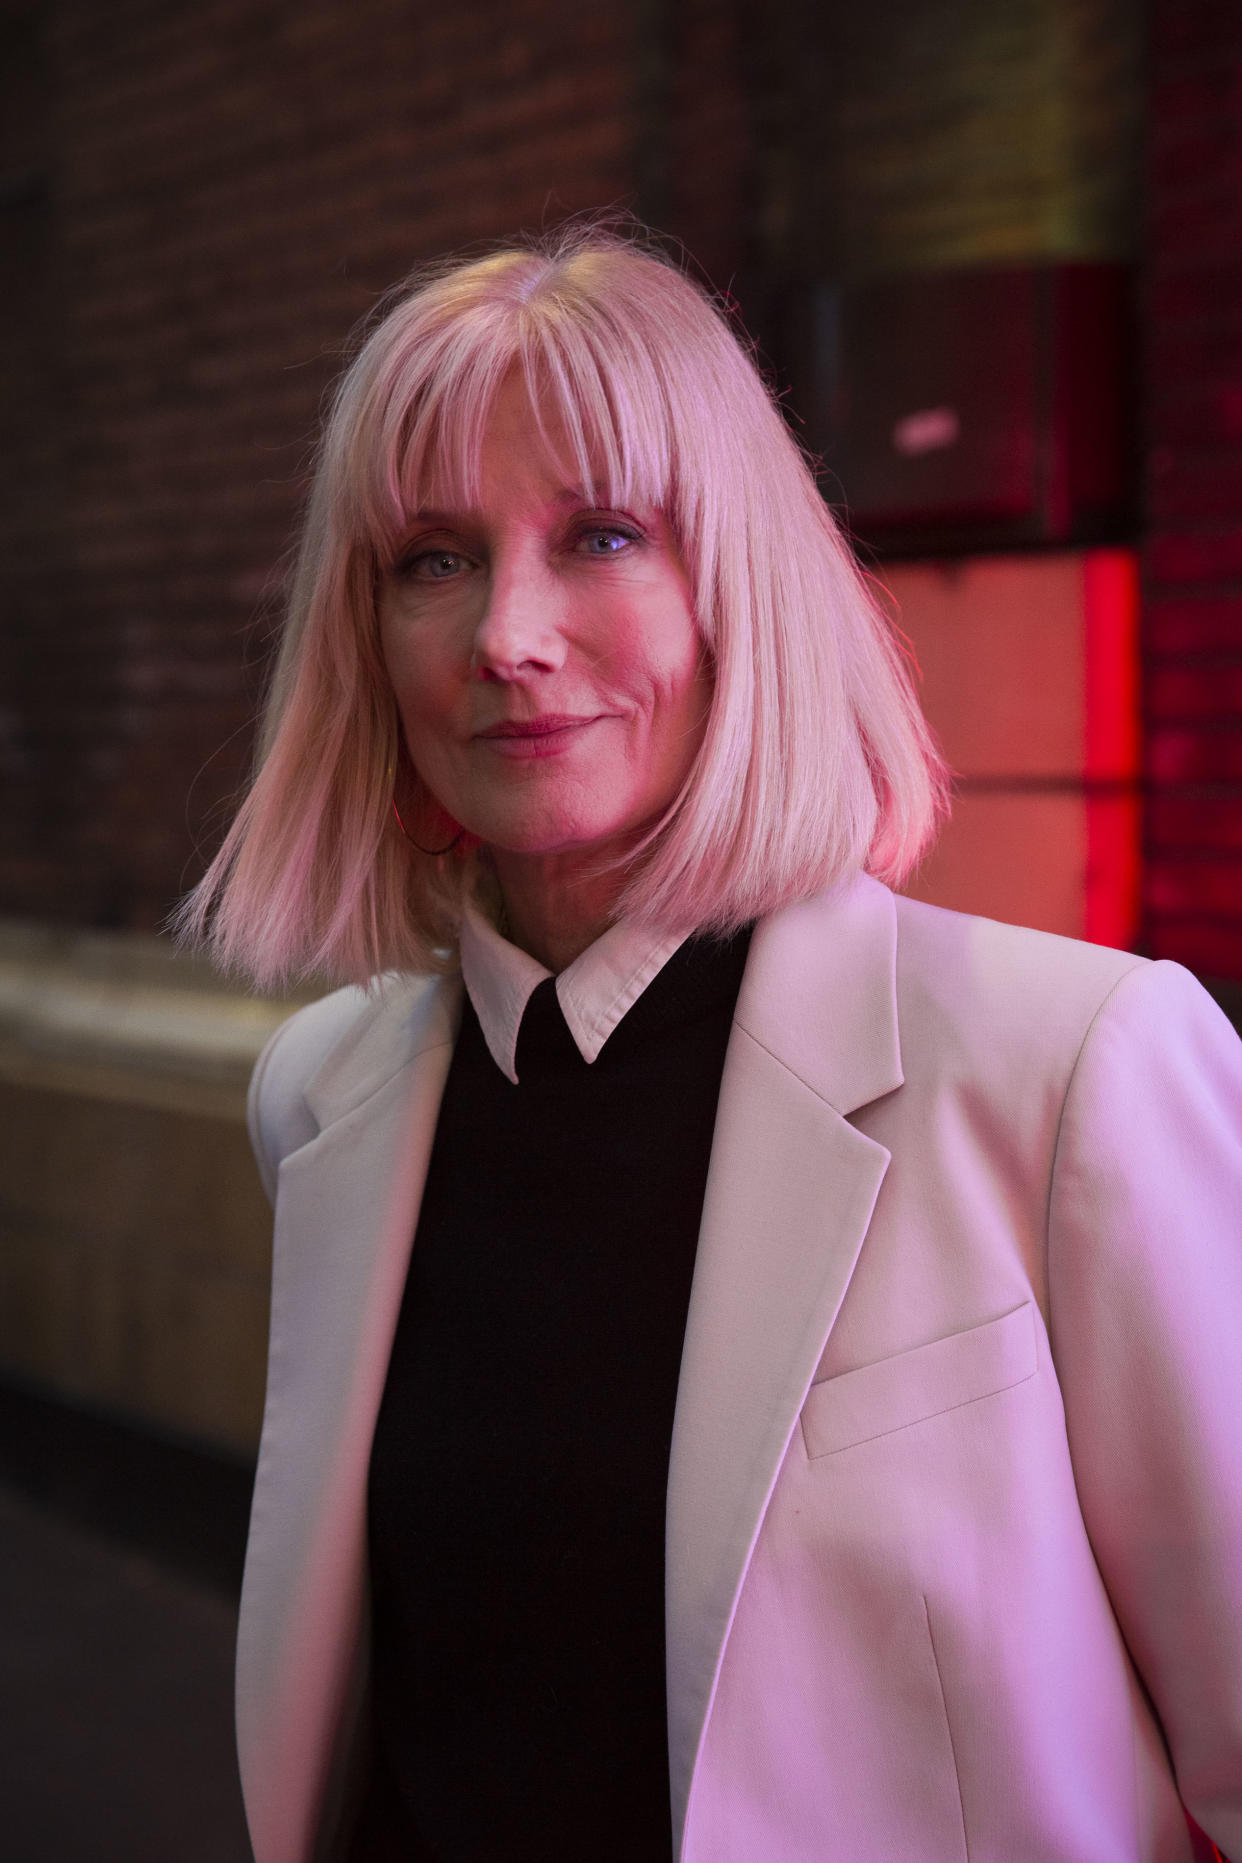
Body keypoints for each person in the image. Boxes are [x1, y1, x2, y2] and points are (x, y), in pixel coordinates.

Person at [183, 224, 1242, 1863]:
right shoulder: (319, 1094)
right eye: (433, 559)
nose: (507, 637)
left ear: (737, 586)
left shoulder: (1073, 1068)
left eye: (602, 535)